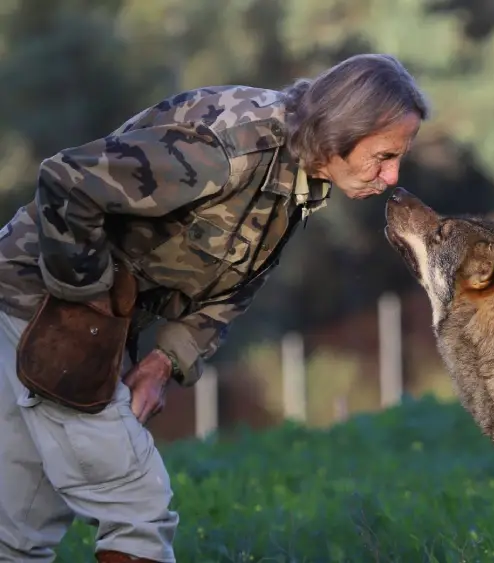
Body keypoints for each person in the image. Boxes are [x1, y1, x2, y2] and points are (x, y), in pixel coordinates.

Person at [0, 53, 429, 562]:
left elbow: (234, 285)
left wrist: (163, 363)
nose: (392, 175)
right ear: (340, 130)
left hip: (57, 316)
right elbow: (70, 181)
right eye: (383, 155)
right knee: (137, 510)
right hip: (38, 307)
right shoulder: (228, 152)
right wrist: (90, 312)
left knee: (20, 527)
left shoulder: (300, 176)